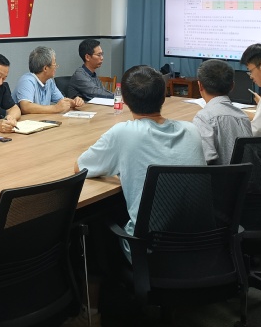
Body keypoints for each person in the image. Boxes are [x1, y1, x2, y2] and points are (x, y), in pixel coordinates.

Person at [75, 65, 205, 255]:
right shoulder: (192, 130)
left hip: (150, 251)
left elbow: (80, 166)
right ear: (163, 97)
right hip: (201, 244)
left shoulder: (124, 133)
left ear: (125, 101)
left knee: (97, 220)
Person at [193, 59, 252, 164]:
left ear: (200, 86)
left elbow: (207, 161)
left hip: (220, 174)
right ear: (232, 86)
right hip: (244, 174)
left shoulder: (204, 117)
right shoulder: (243, 116)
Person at [13, 46, 84, 114]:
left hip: (41, 119)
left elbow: (62, 101)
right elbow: (26, 107)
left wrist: (74, 102)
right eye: (54, 64)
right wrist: (55, 108)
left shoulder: (49, 81)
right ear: (45, 68)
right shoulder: (27, 81)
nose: (56, 67)